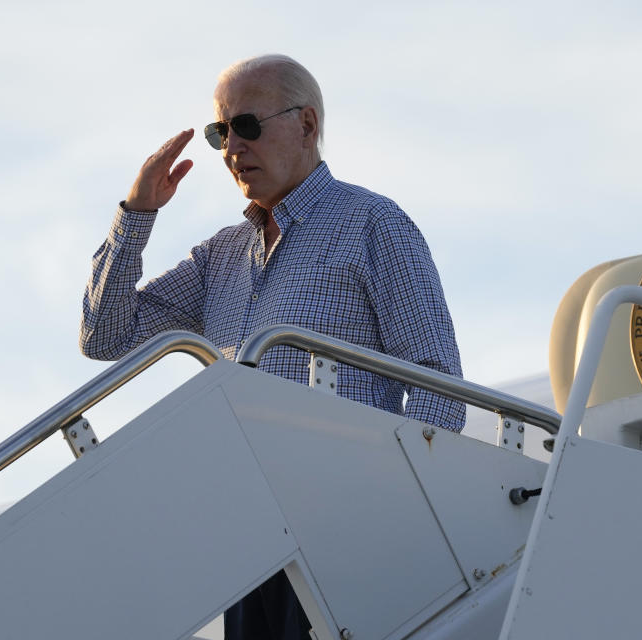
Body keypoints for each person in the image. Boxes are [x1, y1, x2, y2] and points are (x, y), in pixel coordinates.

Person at [79, 54, 464, 639]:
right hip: (251, 539)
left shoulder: (374, 224)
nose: (232, 146)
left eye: (248, 126)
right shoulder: (220, 257)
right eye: (220, 131)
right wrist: (135, 215)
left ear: (306, 125)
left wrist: (392, 515)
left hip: (350, 529)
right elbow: (104, 337)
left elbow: (439, 390)